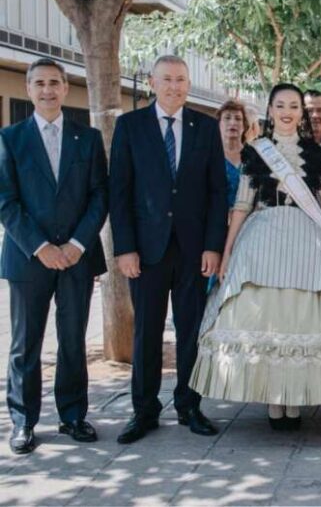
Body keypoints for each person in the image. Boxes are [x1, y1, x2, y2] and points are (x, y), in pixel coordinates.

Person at [191, 84, 321, 430]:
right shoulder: (256, 152)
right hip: (262, 234)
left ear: (301, 112)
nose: (287, 111)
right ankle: (271, 398)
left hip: (309, 239)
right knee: (267, 317)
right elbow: (241, 206)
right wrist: (228, 252)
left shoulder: (317, 154)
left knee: (301, 317)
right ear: (270, 109)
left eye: (294, 105)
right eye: (280, 104)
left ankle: (294, 399)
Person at [109, 54, 227, 445]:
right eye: (167, 79)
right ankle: (144, 410)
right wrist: (124, 248)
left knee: (191, 332)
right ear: (153, 83)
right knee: (147, 332)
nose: (174, 86)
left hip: (194, 250)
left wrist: (214, 246)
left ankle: (189, 406)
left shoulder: (206, 129)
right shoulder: (130, 126)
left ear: (188, 83)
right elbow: (119, 191)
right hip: (146, 251)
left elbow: (216, 192)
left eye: (180, 79)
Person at [0, 59, 108, 455]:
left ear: (65, 88)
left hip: (77, 257)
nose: (47, 90)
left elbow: (100, 195)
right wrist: (41, 247)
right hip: (28, 259)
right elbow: (5, 201)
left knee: (73, 341)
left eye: (54, 83)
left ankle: (74, 416)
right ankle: (23, 422)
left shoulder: (88, 139)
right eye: (39, 83)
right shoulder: (10, 139)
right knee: (25, 345)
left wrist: (76, 245)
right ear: (29, 89)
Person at [217, 100, 248, 210]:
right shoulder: (210, 155)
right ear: (219, 124)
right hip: (217, 220)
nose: (233, 122)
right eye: (227, 118)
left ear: (244, 126)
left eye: (238, 119)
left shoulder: (254, 156)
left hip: (250, 221)